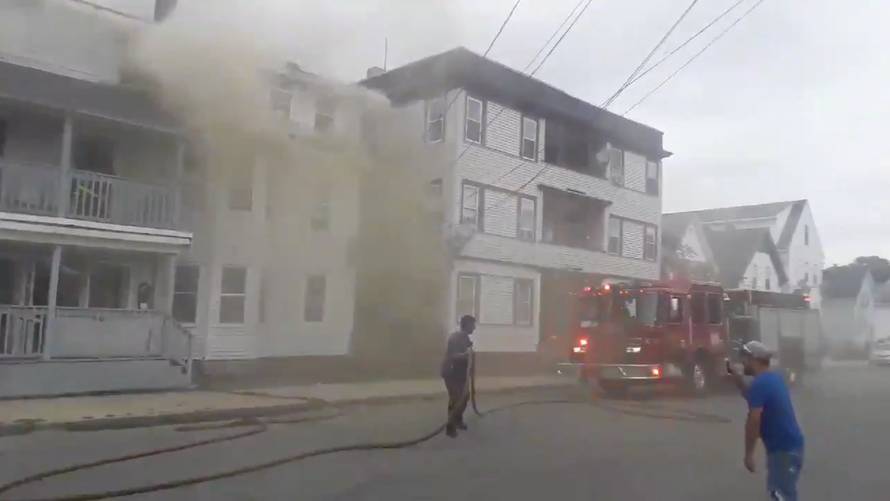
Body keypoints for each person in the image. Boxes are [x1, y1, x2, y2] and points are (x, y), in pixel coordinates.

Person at [730, 341, 805, 500]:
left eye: (745, 358)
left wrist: (748, 454)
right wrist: (737, 379)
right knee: (784, 493)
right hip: (789, 448)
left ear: (754, 359)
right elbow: (752, 396)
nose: (743, 363)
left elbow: (754, 420)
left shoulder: (761, 384)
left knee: (781, 495)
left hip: (783, 451)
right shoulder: (771, 379)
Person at [441, 315, 475, 438]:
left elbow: (469, 351)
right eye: (473, 325)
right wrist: (466, 355)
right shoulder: (456, 337)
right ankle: (450, 427)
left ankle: (458, 420)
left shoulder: (465, 338)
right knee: (455, 398)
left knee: (465, 396)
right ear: (467, 325)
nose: (475, 328)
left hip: (459, 373)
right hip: (450, 372)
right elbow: (453, 356)